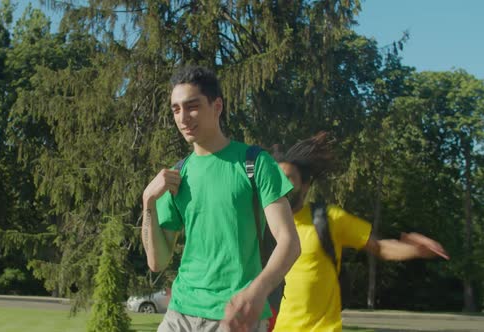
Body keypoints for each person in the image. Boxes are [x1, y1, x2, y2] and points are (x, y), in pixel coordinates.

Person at [141, 65, 301, 332]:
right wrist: (148, 203)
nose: (183, 117)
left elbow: (289, 242)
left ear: (217, 106)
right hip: (179, 313)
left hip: (235, 316)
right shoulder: (178, 174)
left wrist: (257, 291)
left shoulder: (255, 163)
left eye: (192, 106)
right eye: (176, 109)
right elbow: (156, 262)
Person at [270, 132, 449, 332]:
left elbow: (380, 247)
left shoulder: (328, 219)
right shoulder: (264, 224)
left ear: (305, 185)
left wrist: (417, 250)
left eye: (288, 179)